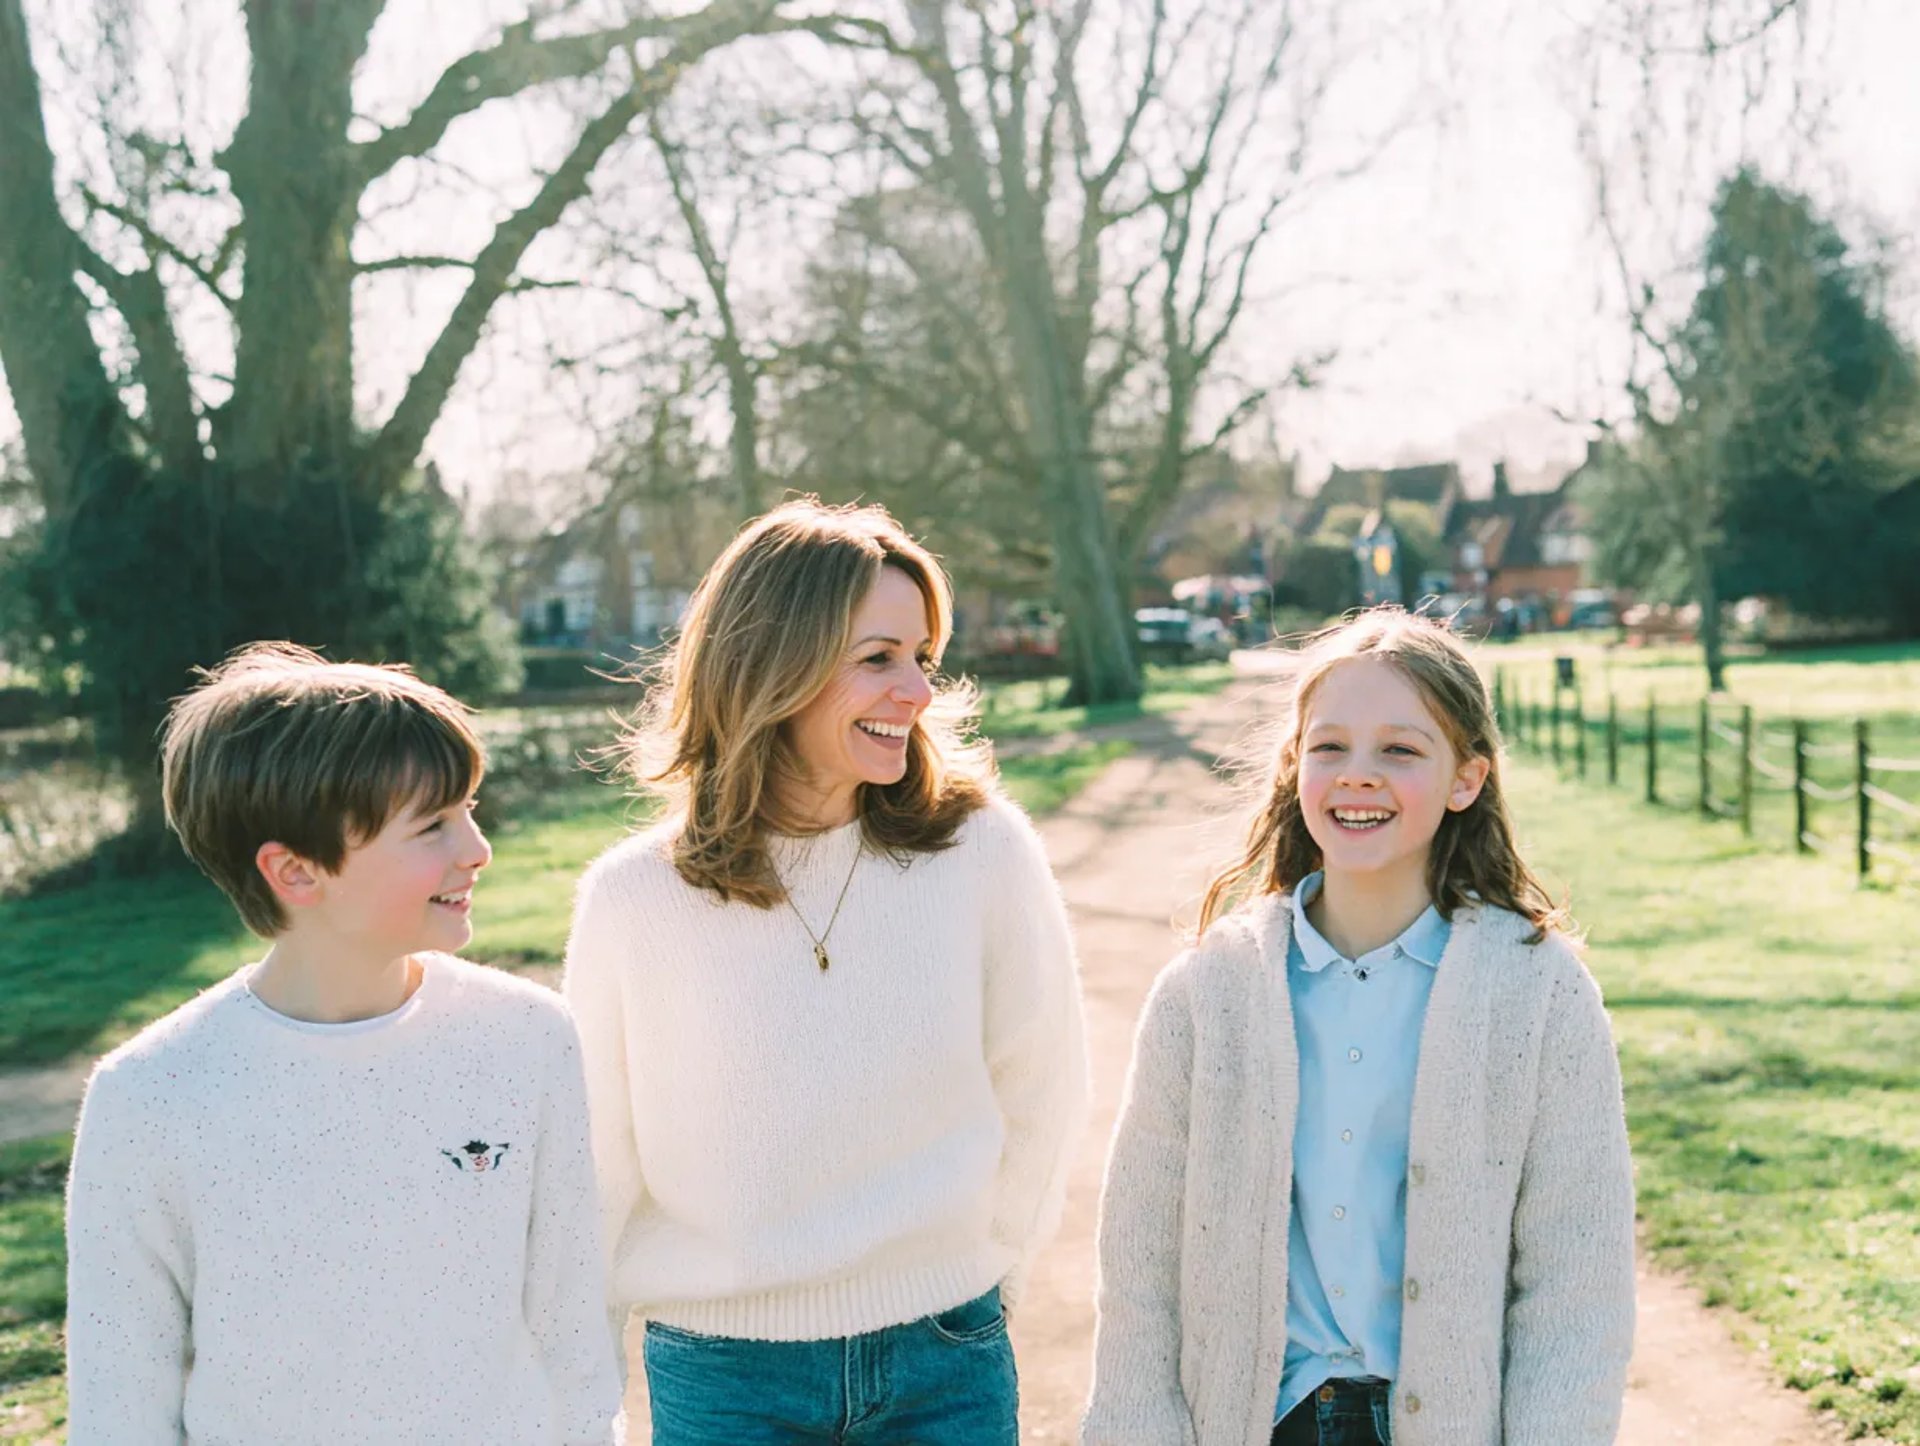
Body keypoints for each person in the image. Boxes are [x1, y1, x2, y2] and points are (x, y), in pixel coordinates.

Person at [564, 498, 1088, 1445]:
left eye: (922, 658)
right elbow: (596, 1167)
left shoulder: (981, 853)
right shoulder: (633, 902)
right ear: (772, 664)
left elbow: (1041, 1085)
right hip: (726, 1380)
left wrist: (982, 1273)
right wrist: (580, 1395)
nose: (919, 692)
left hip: (946, 1358)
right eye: (878, 658)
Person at [1082, 608, 1635, 1445]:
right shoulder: (1208, 991)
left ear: (1466, 780)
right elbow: (1140, 1270)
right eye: (1330, 747)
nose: (1358, 775)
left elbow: (1575, 1283)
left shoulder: (1539, 994)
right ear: (1294, 767)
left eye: (1401, 750)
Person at [65, 643, 620, 1445]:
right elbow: (121, 1401)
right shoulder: (148, 1096)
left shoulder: (530, 1039)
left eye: (468, 810)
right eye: (431, 826)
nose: (476, 849)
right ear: (295, 872)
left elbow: (573, 1334)